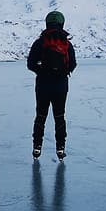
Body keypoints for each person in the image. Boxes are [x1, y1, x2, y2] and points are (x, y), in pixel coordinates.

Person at [26, 10, 76, 159]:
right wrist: (62, 73)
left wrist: (41, 72)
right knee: (59, 116)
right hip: (61, 86)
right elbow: (73, 64)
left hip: (42, 85)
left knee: (40, 116)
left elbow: (30, 64)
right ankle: (60, 148)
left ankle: (37, 147)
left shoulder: (40, 42)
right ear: (62, 23)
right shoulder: (67, 43)